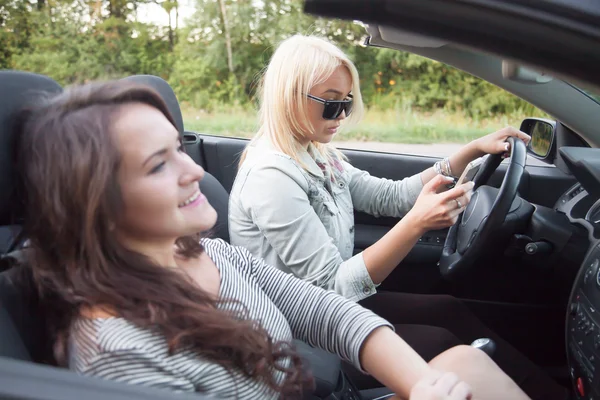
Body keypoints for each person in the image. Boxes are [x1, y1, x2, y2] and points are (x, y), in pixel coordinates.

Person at [12, 80, 530, 400]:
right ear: (96, 206)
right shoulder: (119, 352)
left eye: (179, 149)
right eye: (157, 165)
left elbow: (330, 311)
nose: (192, 170)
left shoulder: (212, 253)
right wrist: (417, 224)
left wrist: (422, 386)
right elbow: (336, 285)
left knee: (462, 362)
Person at [228, 34, 568, 400]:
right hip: (306, 335)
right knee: (441, 340)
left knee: (450, 310)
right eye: (330, 105)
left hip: (337, 307)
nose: (341, 115)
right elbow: (331, 288)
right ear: (290, 98)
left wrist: (468, 152)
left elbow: (391, 196)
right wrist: (417, 223)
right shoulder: (271, 177)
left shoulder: (317, 152)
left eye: (347, 102)